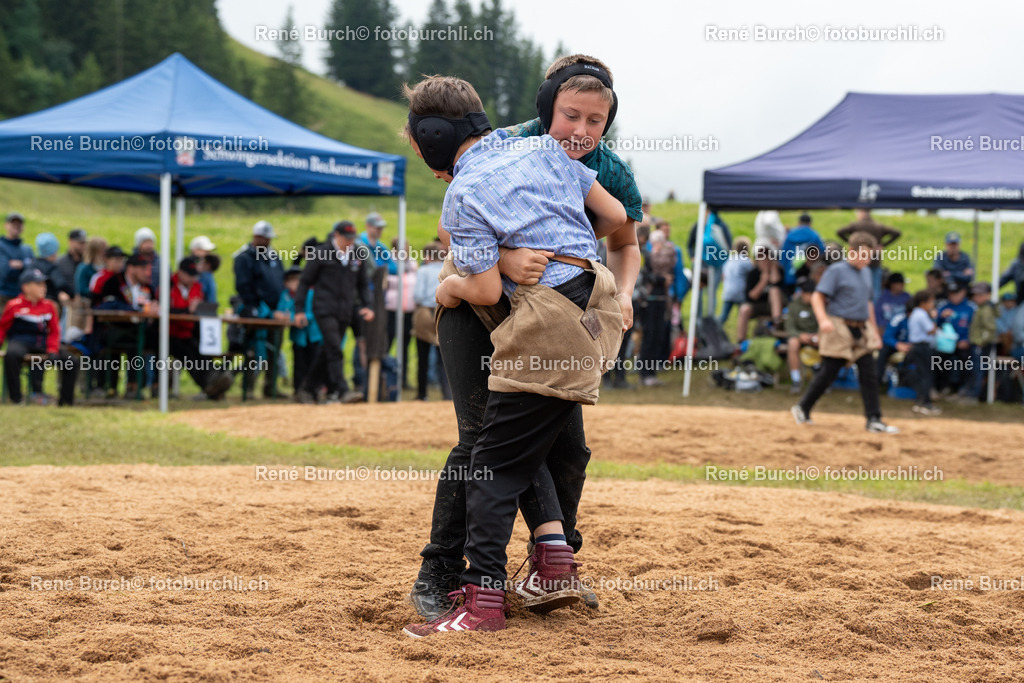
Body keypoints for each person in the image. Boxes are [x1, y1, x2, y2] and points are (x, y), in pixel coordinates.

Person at [409, 55, 642, 622]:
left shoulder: (600, 164)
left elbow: (621, 229)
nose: (581, 131)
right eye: (570, 115)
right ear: (547, 110)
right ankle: (443, 572)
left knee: (553, 444)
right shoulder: (521, 142)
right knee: (483, 437)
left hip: (540, 310)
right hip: (496, 302)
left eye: (595, 119)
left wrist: (559, 246)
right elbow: (463, 249)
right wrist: (514, 253)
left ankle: (543, 565)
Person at [791, 231, 898, 433]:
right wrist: (823, 320)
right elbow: (817, 297)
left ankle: (873, 419)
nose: (867, 260)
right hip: (839, 325)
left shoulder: (866, 272)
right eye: (863, 255)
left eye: (869, 256)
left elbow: (868, 304)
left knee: (869, 372)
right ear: (852, 251)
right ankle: (803, 407)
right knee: (829, 371)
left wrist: (874, 331)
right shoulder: (836, 271)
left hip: (861, 327)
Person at [293, 221, 374, 405]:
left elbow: (363, 285)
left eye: (352, 238)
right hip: (324, 309)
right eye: (346, 238)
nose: (350, 242)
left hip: (345, 311)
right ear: (336, 235)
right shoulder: (321, 253)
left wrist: (368, 305)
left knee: (328, 350)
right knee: (335, 348)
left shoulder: (357, 254)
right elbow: (304, 282)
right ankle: (343, 390)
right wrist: (299, 310)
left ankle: (306, 388)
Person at [0, 268, 78, 406]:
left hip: (42, 343)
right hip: (21, 341)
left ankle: (65, 401)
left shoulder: (49, 306)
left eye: (44, 284)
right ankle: (16, 398)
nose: (43, 288)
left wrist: (53, 350)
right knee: (11, 355)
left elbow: (54, 331)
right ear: (26, 287)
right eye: (38, 284)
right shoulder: (14, 305)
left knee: (72, 361)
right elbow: (3, 327)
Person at [167, 256, 233, 400]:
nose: (192, 279)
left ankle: (214, 379)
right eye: (190, 275)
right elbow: (164, 310)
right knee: (187, 353)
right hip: (169, 333)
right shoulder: (168, 285)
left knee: (199, 349)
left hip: (189, 331)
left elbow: (198, 308)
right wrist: (187, 310)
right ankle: (208, 385)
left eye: (194, 275)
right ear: (180, 273)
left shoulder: (197, 287)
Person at [233, 220, 286, 399]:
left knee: (274, 350)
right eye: (265, 238)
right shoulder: (244, 258)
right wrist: (257, 307)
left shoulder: (273, 257)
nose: (268, 242)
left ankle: (270, 387)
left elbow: (281, 281)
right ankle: (248, 387)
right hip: (255, 312)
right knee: (253, 350)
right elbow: (243, 286)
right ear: (257, 237)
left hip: (275, 313)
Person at [275, 265, 323, 397]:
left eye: (297, 280)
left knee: (313, 363)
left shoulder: (311, 294)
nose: (294, 283)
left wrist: (298, 318)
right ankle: (299, 390)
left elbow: (314, 312)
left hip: (313, 335)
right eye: (291, 280)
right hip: (298, 337)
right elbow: (280, 312)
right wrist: (285, 316)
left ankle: (314, 390)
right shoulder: (286, 296)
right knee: (299, 364)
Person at [412, 242, 450, 400]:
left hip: (425, 312)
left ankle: (422, 394)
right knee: (444, 357)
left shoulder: (423, 270)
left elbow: (418, 295)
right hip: (443, 312)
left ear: (427, 256)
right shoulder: (446, 269)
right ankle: (447, 394)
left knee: (422, 356)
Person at [837, 209, 901, 296]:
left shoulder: (856, 225)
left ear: (861, 212)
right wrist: (883, 245)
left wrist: (851, 242)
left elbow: (840, 232)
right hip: (875, 261)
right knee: (874, 290)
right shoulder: (878, 226)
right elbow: (897, 233)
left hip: (858, 262)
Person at [735, 242, 784, 344]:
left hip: (775, 305)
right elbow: (752, 296)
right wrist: (763, 281)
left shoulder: (778, 271)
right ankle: (741, 341)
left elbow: (777, 284)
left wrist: (773, 269)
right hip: (757, 305)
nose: (764, 262)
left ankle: (776, 323)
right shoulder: (752, 274)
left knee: (773, 290)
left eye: (767, 259)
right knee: (744, 309)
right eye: (761, 259)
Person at [385, 238, 417, 388]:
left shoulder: (412, 263)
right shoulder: (388, 262)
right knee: (387, 343)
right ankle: (385, 377)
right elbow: (385, 282)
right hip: (391, 310)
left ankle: (403, 378)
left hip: (408, 311)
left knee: (404, 345)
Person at [935, 279, 975, 395]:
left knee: (966, 362)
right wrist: (941, 317)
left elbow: (975, 328)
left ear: (963, 292)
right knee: (937, 361)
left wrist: (967, 340)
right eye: (950, 293)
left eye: (956, 293)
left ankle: (961, 388)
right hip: (945, 344)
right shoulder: (943, 306)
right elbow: (934, 326)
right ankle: (942, 387)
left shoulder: (970, 308)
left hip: (964, 343)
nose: (953, 296)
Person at [961, 281, 997, 404]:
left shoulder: (986, 310)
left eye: (979, 295)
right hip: (977, 343)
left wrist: (981, 341)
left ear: (987, 295)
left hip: (981, 345)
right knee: (974, 369)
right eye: (975, 295)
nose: (976, 298)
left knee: (978, 370)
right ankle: (970, 393)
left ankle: (973, 396)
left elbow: (990, 328)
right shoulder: (981, 308)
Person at [906, 290, 941, 415]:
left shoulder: (915, 313)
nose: (932, 304)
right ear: (923, 303)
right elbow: (930, 330)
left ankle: (920, 401)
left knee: (922, 374)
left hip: (916, 347)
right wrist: (935, 319)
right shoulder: (921, 314)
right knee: (926, 375)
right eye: (931, 302)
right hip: (923, 347)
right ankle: (925, 403)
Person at [784, 278, 819, 394]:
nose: (810, 298)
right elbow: (789, 327)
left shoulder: (819, 305)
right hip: (799, 337)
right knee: (792, 343)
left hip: (816, 337)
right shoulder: (794, 306)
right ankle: (796, 380)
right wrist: (800, 335)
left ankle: (820, 376)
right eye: (808, 295)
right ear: (803, 293)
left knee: (826, 341)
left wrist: (817, 335)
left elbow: (825, 323)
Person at [779, 213, 825, 289]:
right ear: (810, 223)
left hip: (790, 274)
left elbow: (783, 256)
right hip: (810, 276)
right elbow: (822, 253)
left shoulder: (789, 235)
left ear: (799, 223)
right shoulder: (814, 235)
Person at [0, 212, 33, 308]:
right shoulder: (1, 246)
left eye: (19, 224)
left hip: (23, 298)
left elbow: (32, 272)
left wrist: (21, 265)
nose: (16, 226)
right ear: (6, 225)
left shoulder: (27, 249)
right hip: (3, 297)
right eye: (13, 224)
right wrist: (25, 265)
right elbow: (4, 272)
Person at [56, 229, 88, 297]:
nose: (84, 246)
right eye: (80, 243)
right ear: (71, 242)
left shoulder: (88, 262)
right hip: (68, 299)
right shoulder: (61, 262)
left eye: (85, 243)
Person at [189, 235, 218, 303]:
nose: (208, 253)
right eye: (205, 251)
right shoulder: (203, 273)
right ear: (195, 250)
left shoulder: (207, 272)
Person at [133, 227, 161, 292]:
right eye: (145, 242)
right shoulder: (132, 262)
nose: (148, 245)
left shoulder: (161, 263)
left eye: (150, 242)